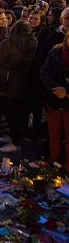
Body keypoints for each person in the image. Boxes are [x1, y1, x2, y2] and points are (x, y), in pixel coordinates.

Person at [0, 20, 37, 153]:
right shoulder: (33, 41)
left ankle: (15, 142)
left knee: (10, 111)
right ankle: (14, 136)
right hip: (23, 78)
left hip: (8, 78)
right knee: (18, 110)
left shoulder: (9, 42)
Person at [40, 31, 69, 173]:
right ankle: (53, 163)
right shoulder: (56, 52)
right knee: (54, 135)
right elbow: (44, 72)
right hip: (54, 100)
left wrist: (66, 92)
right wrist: (55, 88)